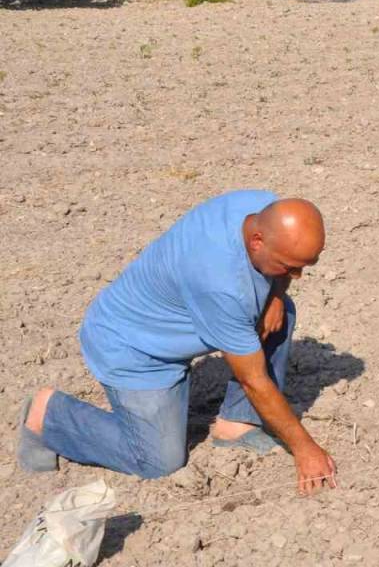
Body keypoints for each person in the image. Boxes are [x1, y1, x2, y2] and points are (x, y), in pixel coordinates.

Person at [15, 192, 338, 495]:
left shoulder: (261, 205)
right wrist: (304, 448)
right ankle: (50, 415)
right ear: (257, 241)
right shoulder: (220, 284)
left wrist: (276, 294)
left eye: (303, 266)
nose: (297, 276)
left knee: (278, 312)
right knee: (159, 461)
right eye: (288, 267)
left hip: (176, 320)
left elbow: (273, 281)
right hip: (134, 350)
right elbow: (253, 380)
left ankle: (236, 424)